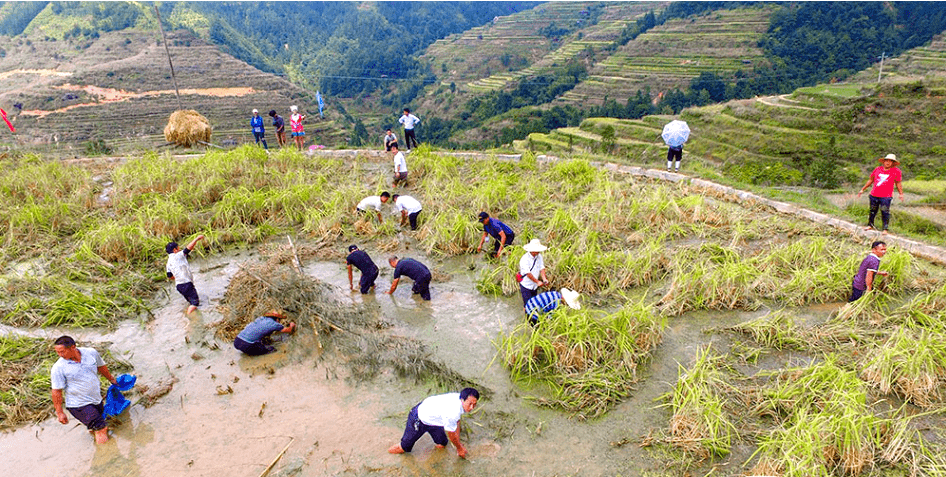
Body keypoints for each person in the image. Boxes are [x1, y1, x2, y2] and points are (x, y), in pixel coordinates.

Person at [50, 335, 118, 444]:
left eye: (62, 351)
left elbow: (101, 367)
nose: (60, 355)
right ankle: (108, 457)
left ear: (73, 347)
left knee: (96, 426)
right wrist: (59, 412)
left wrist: (112, 380)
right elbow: (56, 391)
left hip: (96, 400)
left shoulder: (91, 353)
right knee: (101, 428)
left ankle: (97, 443)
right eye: (58, 352)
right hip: (78, 405)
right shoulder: (58, 368)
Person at [388, 388, 479, 458]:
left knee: (442, 443)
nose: (472, 407)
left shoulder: (460, 400)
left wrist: (458, 442)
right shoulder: (453, 412)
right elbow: (451, 433)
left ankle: (434, 462)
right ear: (462, 400)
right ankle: (386, 454)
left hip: (434, 419)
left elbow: (457, 421)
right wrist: (459, 448)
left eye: (474, 404)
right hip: (419, 418)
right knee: (404, 448)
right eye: (470, 404)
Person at [856, 153, 904, 235]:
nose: (888, 163)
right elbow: (871, 180)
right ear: (883, 162)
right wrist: (862, 189)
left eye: (890, 161)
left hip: (886, 196)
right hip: (874, 194)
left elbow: (898, 183)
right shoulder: (877, 169)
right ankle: (870, 225)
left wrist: (901, 194)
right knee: (872, 211)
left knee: (885, 211)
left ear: (893, 163)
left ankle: (885, 229)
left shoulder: (896, 171)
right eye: (886, 161)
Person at [166, 235, 205, 315]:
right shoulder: (178, 255)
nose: (179, 249)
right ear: (175, 250)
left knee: (191, 302)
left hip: (179, 286)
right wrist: (196, 239)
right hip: (186, 283)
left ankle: (190, 313)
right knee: (195, 303)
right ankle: (189, 318)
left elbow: (170, 276)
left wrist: (177, 278)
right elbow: (188, 248)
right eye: (178, 248)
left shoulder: (168, 263)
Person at [518, 238, 549, 306]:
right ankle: (527, 316)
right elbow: (528, 274)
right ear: (532, 250)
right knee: (527, 305)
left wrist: (544, 279)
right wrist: (537, 281)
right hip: (526, 286)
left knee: (534, 303)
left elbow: (542, 267)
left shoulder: (539, 256)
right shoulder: (524, 259)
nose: (539, 251)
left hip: (534, 286)